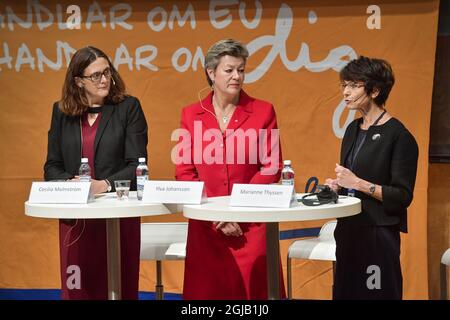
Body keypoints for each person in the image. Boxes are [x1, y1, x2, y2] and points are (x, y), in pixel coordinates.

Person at [175, 39, 284, 299]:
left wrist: (236, 210)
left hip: (251, 226)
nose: (237, 76)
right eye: (229, 70)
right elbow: (184, 171)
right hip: (207, 227)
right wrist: (217, 216)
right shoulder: (191, 115)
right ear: (211, 73)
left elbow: (272, 167)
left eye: (241, 70)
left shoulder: (263, 111)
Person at [44, 46, 148, 299]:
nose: (104, 80)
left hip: (117, 215)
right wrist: (72, 184)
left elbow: (138, 166)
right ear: (78, 81)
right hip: (76, 218)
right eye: (95, 76)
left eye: (107, 72)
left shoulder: (128, 108)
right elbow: (51, 166)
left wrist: (102, 185)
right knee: (80, 291)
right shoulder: (61, 112)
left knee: (118, 288)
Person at [325, 56, 418, 299]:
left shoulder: (399, 136)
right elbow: (351, 181)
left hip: (377, 234)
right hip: (348, 230)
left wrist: (356, 183)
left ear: (375, 90)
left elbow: (402, 196)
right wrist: (338, 186)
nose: (345, 92)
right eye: (344, 85)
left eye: (353, 85)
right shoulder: (352, 129)